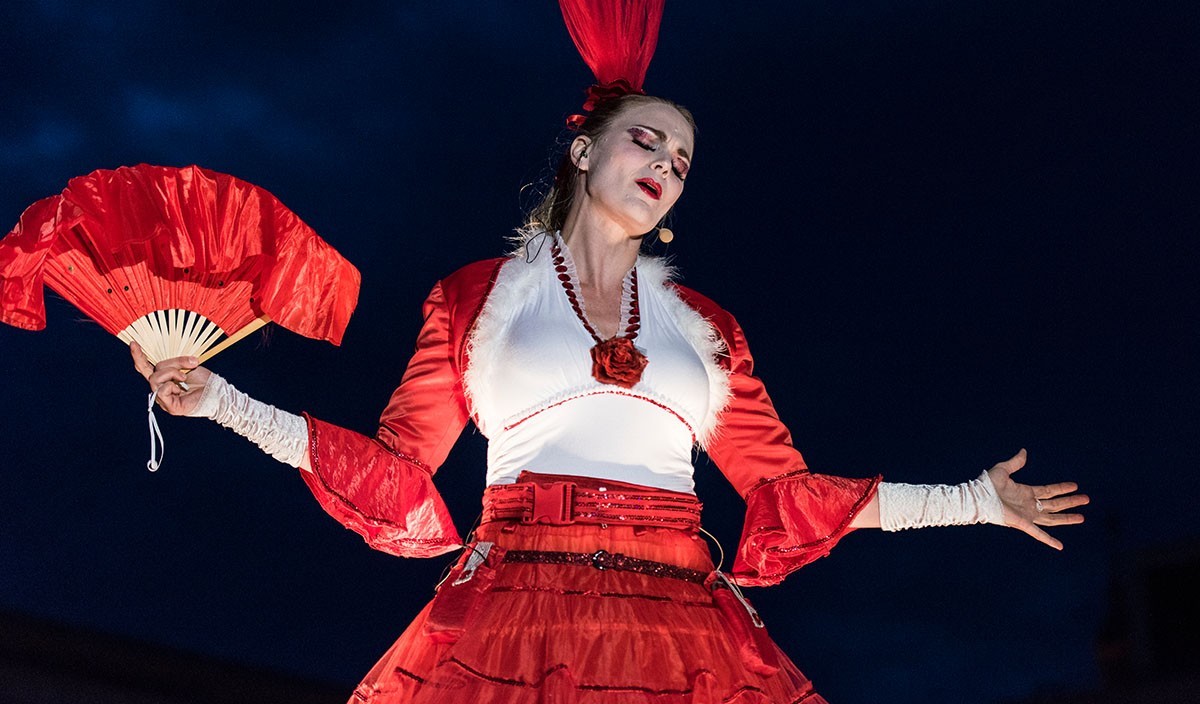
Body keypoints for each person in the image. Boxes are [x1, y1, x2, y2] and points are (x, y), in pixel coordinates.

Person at [131, 94, 1087, 703]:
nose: (667, 164)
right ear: (583, 151)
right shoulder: (475, 297)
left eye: (684, 160)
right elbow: (393, 472)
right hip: (515, 606)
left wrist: (970, 501)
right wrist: (225, 404)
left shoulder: (705, 326)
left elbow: (787, 495)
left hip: (679, 622)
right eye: (648, 139)